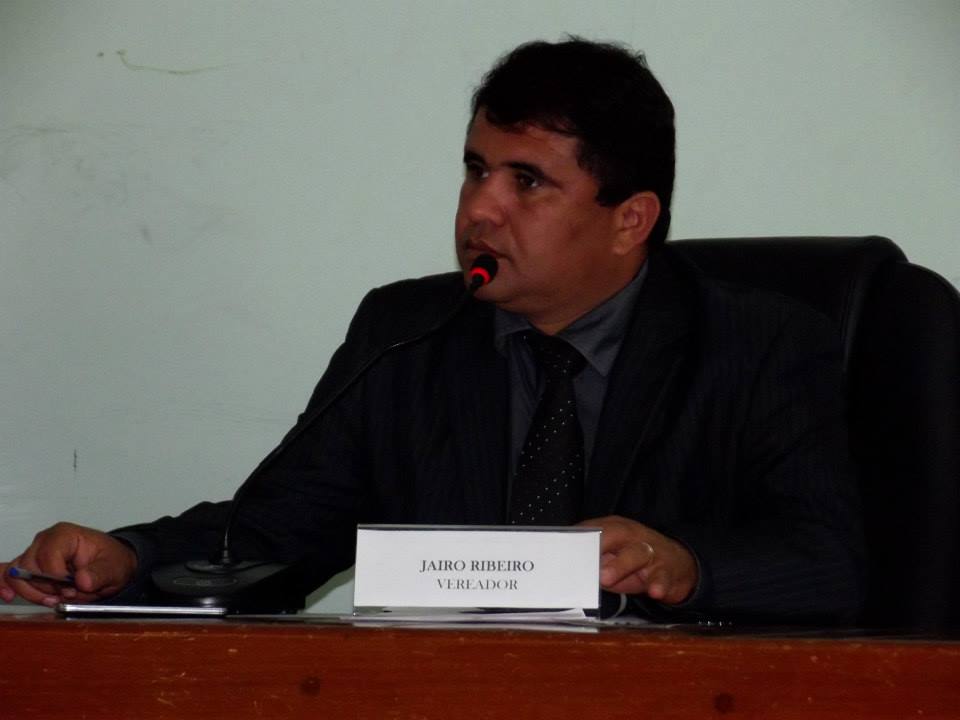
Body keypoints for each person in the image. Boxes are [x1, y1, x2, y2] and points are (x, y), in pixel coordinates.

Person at [0, 38, 864, 623]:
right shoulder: (407, 331)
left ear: (630, 219)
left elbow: (833, 562)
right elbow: (275, 532)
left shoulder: (760, 344)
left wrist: (688, 566)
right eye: (476, 170)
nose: (480, 209)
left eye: (527, 182)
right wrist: (127, 557)